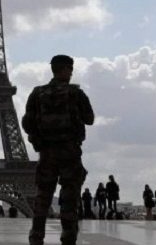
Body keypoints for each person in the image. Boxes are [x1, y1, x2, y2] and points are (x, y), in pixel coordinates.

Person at [21, 55, 94, 245]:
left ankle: (36, 236)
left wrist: (39, 136)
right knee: (70, 197)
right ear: (65, 70)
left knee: (42, 197)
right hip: (70, 153)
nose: (71, 72)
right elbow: (89, 118)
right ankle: (68, 236)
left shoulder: (37, 93)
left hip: (46, 153)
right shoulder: (75, 93)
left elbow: (27, 123)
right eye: (70, 69)